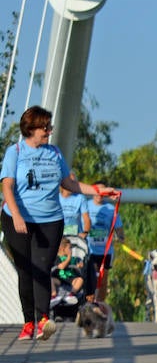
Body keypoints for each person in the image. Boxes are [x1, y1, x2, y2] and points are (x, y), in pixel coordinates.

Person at [1, 105, 116, 340]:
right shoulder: (15, 152)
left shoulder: (54, 153)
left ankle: (43, 320)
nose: (50, 131)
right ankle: (28, 323)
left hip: (50, 220)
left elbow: (70, 185)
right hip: (17, 219)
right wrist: (18, 215)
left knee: (42, 268)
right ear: (32, 128)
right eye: (46, 127)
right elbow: (7, 187)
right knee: (26, 271)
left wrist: (97, 190)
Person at [83, 187, 124, 303]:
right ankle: (88, 302)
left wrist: (121, 237)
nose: (99, 194)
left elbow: (118, 227)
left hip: (105, 251)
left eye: (102, 192)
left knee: (103, 278)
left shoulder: (110, 208)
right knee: (90, 277)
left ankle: (100, 304)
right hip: (89, 249)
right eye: (98, 192)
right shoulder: (86, 205)